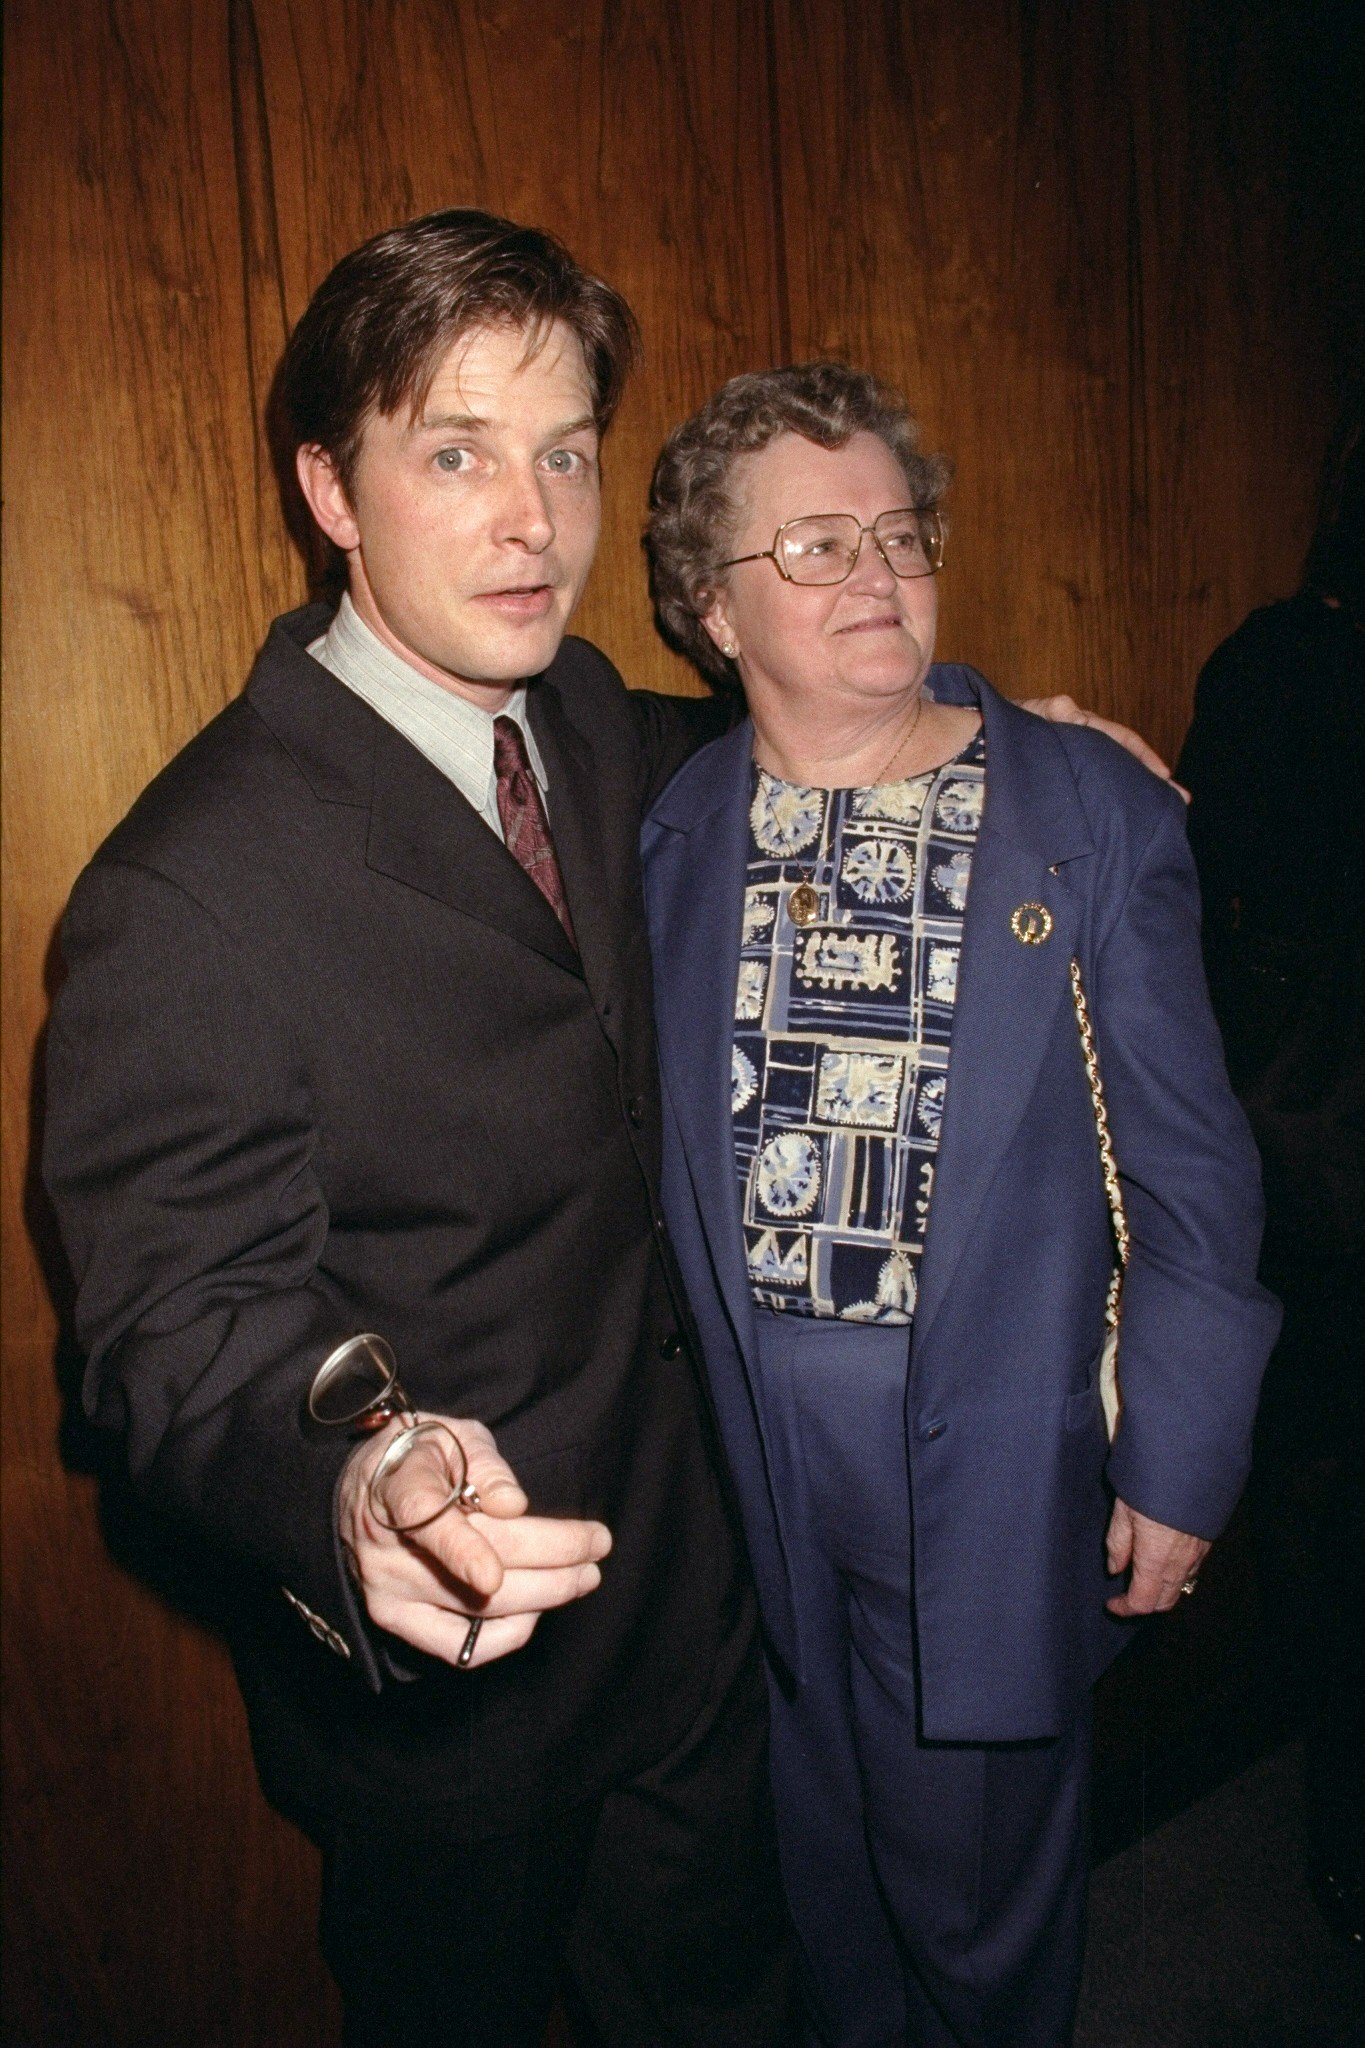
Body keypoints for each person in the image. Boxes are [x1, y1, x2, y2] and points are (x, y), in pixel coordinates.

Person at [42, 211, 1171, 2046]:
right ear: (330, 487)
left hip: (698, 1617)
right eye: (456, 452)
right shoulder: (188, 889)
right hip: (455, 1703)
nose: (532, 519)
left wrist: (997, 734)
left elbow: (787, 731)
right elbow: (172, 1333)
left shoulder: (579, 716)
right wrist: (352, 1477)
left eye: (564, 451)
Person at [641, 363, 1281, 2046]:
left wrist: (1182, 1457)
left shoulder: (1083, 813)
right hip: (763, 1467)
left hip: (996, 1447)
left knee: (975, 1896)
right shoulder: (675, 828)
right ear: (712, 609)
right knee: (831, 1871)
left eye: (900, 532)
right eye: (817, 545)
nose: (878, 571)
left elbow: (1194, 1173)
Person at [1177, 425, 1364, 1945]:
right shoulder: (1283, 672)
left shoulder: (1274, 670)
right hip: (1317, 1165)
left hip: (1306, 1158)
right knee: (1322, 1510)